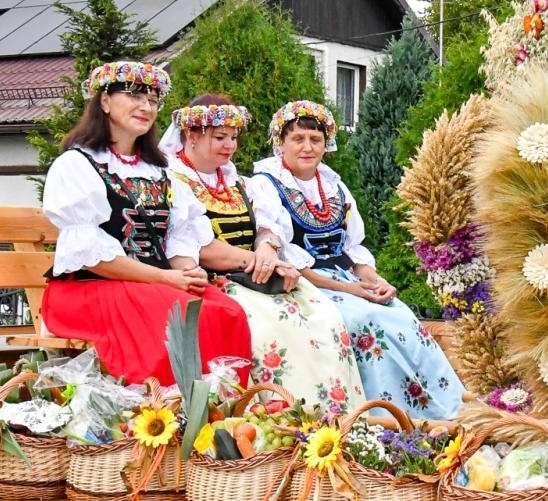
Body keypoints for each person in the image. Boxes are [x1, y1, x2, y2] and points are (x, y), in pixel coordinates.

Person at [41, 61, 252, 388]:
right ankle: (162, 404)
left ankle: (219, 405)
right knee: (176, 313)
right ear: (105, 101)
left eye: (153, 100)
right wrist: (166, 278)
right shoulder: (77, 164)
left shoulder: (161, 171)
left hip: (154, 285)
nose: (146, 107)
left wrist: (188, 271)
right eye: (134, 96)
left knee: (227, 311)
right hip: (91, 288)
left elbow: (178, 237)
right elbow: (92, 256)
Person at [252, 101, 463, 420]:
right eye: (298, 139)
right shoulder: (266, 184)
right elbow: (289, 260)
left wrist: (377, 282)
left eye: (316, 139)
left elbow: (354, 249)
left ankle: (445, 409)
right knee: (366, 322)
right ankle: (386, 417)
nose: (308, 147)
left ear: (326, 144)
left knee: (401, 314)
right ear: (280, 142)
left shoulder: (334, 186)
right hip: (305, 285)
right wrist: (352, 290)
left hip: (346, 280)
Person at [161, 94, 367, 419]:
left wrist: (267, 248)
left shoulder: (237, 181)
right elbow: (199, 249)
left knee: (324, 316)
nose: (230, 145)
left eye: (233, 137)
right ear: (191, 135)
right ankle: (283, 418)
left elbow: (267, 227)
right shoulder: (173, 181)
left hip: (253, 274)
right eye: (220, 137)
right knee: (273, 330)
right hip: (213, 278)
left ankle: (338, 417)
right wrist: (255, 261)